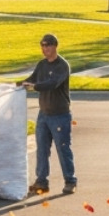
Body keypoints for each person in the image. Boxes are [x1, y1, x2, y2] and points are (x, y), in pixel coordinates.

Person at [23, 32, 75, 196]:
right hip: (43, 115)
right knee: (42, 149)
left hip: (60, 115)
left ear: (55, 46)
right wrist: (15, 86)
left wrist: (34, 86)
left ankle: (70, 181)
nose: (44, 48)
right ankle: (41, 182)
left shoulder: (62, 66)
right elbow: (31, 79)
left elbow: (52, 83)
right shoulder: (42, 65)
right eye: (42, 45)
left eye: (47, 45)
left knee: (63, 148)